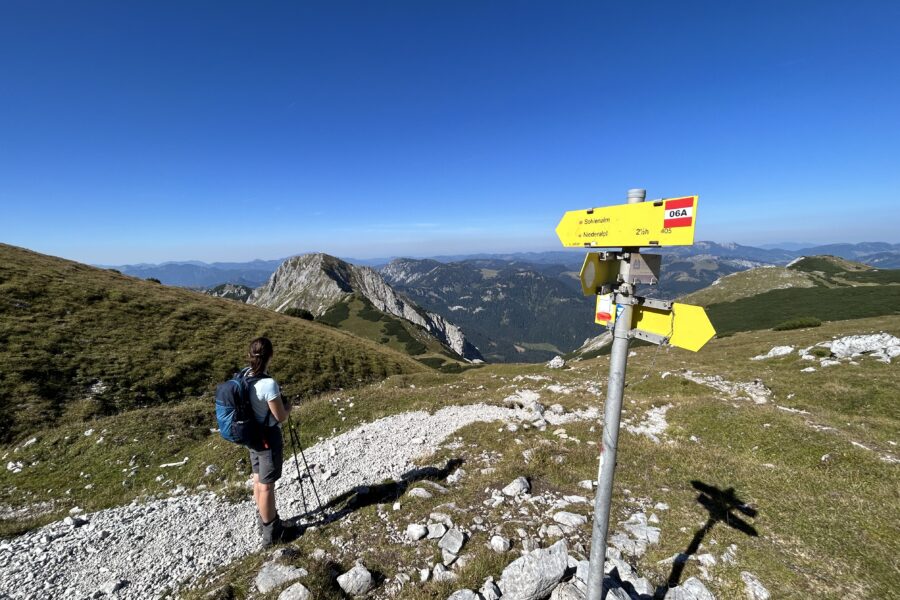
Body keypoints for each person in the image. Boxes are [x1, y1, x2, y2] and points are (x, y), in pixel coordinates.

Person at [245, 336, 299, 547]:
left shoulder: (245, 377)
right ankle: (272, 533)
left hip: (252, 436)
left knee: (258, 479)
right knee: (267, 486)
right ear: (271, 355)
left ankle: (263, 520)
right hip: (268, 437)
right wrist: (288, 407)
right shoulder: (268, 384)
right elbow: (280, 417)